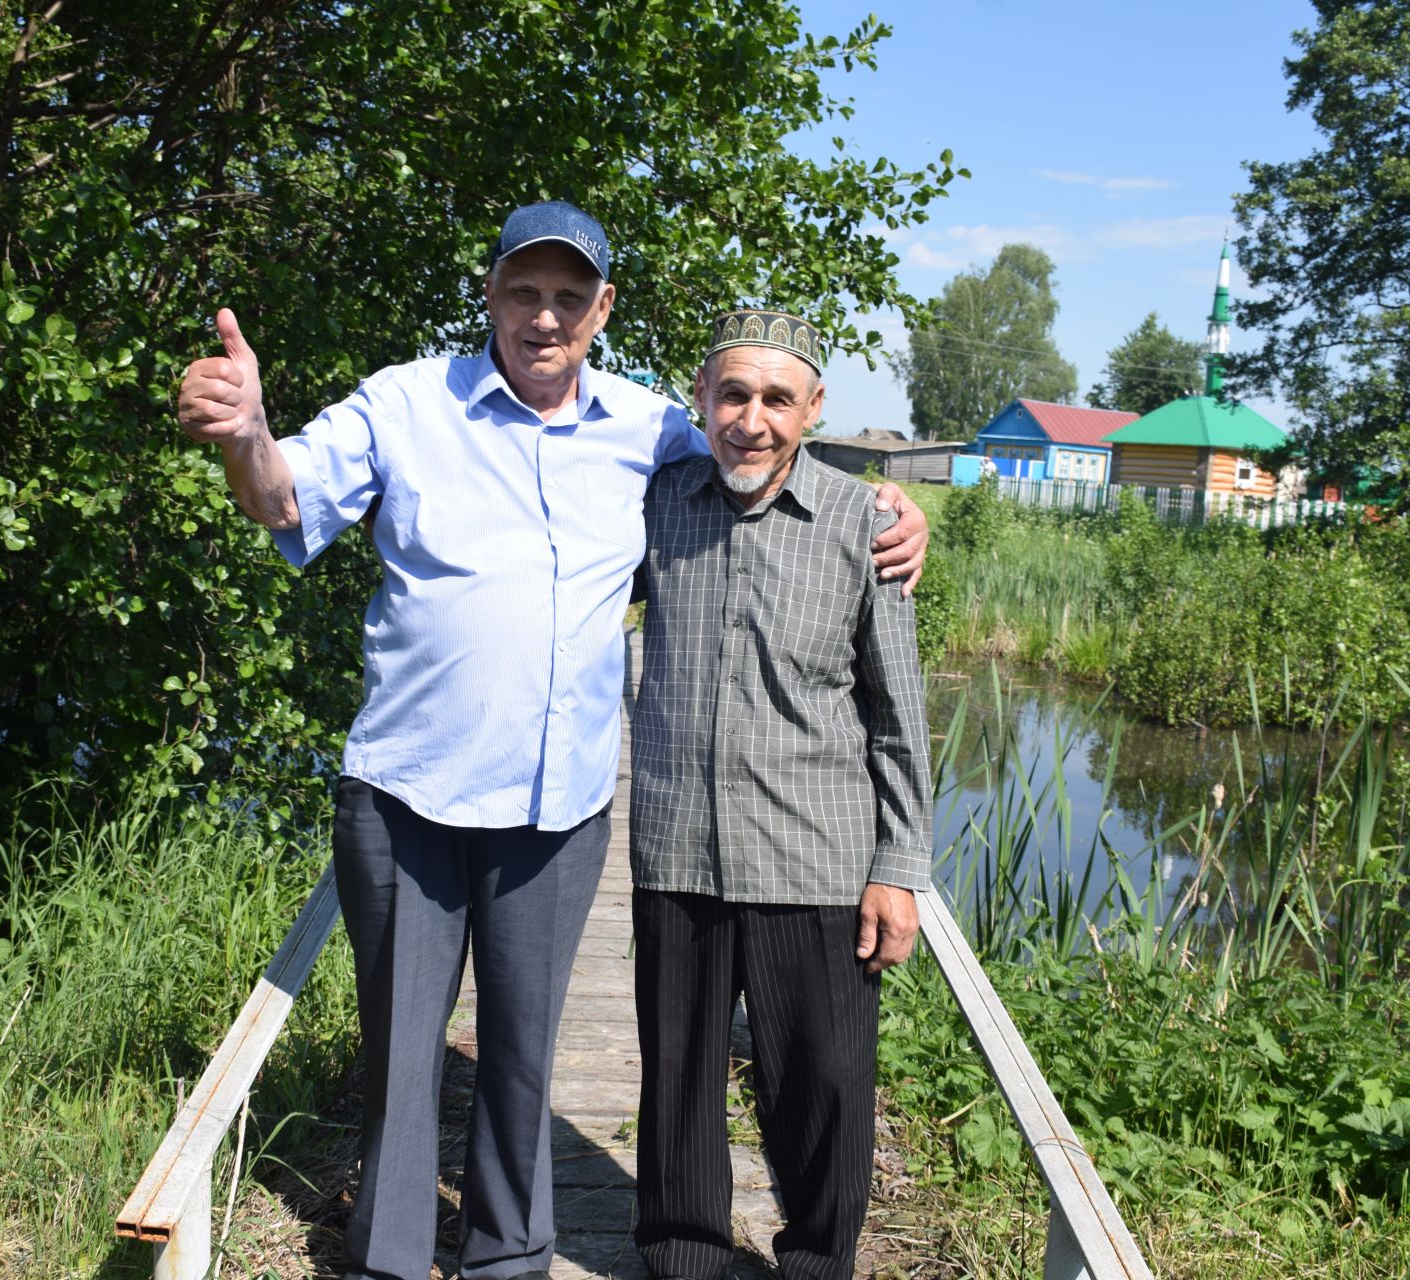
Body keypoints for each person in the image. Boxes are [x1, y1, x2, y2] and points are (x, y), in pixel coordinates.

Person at [174, 203, 929, 1280]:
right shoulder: (405, 401)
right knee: (400, 1049)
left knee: (525, 1052)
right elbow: (285, 502)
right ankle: (388, 1255)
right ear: (490, 293)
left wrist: (890, 513)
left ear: (601, 309)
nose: (544, 315)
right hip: (406, 794)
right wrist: (247, 429)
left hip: (554, 808)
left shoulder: (651, 428)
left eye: (569, 296)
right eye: (524, 291)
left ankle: (505, 1256)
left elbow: (766, 462)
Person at [630, 309, 933, 1280]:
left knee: (825, 1084)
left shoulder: (866, 523)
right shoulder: (658, 504)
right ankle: (682, 1253)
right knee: (678, 1078)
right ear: (700, 398)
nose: (750, 419)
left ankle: (813, 1258)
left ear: (811, 408)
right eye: (732, 393)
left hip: (816, 853)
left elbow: (897, 713)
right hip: (678, 846)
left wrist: (900, 866)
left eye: (774, 397)